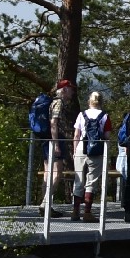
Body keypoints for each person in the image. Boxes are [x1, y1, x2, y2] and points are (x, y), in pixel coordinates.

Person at [71, 92, 110, 222]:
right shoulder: (105, 116)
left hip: (81, 148)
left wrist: (75, 150)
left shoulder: (81, 115)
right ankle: (87, 212)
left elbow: (77, 134)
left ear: (89, 101)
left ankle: (75, 211)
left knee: (78, 180)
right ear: (101, 101)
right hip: (96, 150)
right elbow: (107, 136)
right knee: (91, 181)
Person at [45, 79, 77, 211]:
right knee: (57, 173)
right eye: (70, 89)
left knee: (48, 173)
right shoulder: (58, 103)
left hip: (48, 141)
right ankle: (45, 203)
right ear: (64, 90)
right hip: (56, 140)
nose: (72, 91)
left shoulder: (53, 102)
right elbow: (54, 123)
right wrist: (56, 144)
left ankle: (45, 205)